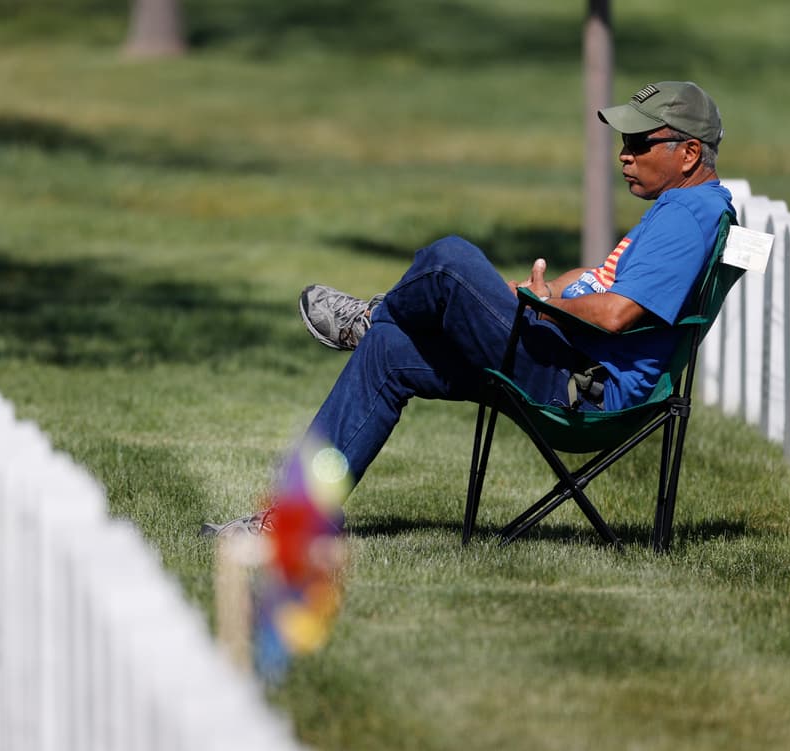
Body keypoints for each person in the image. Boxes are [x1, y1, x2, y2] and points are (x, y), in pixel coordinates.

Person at [203, 80, 735, 537]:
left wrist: (539, 308)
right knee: (389, 351)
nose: (624, 153)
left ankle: (371, 317)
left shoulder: (686, 218)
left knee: (449, 261)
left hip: (579, 387)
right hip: (562, 357)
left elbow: (618, 313)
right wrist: (540, 294)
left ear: (688, 153)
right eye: (624, 140)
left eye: (640, 142)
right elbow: (599, 280)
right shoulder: (685, 207)